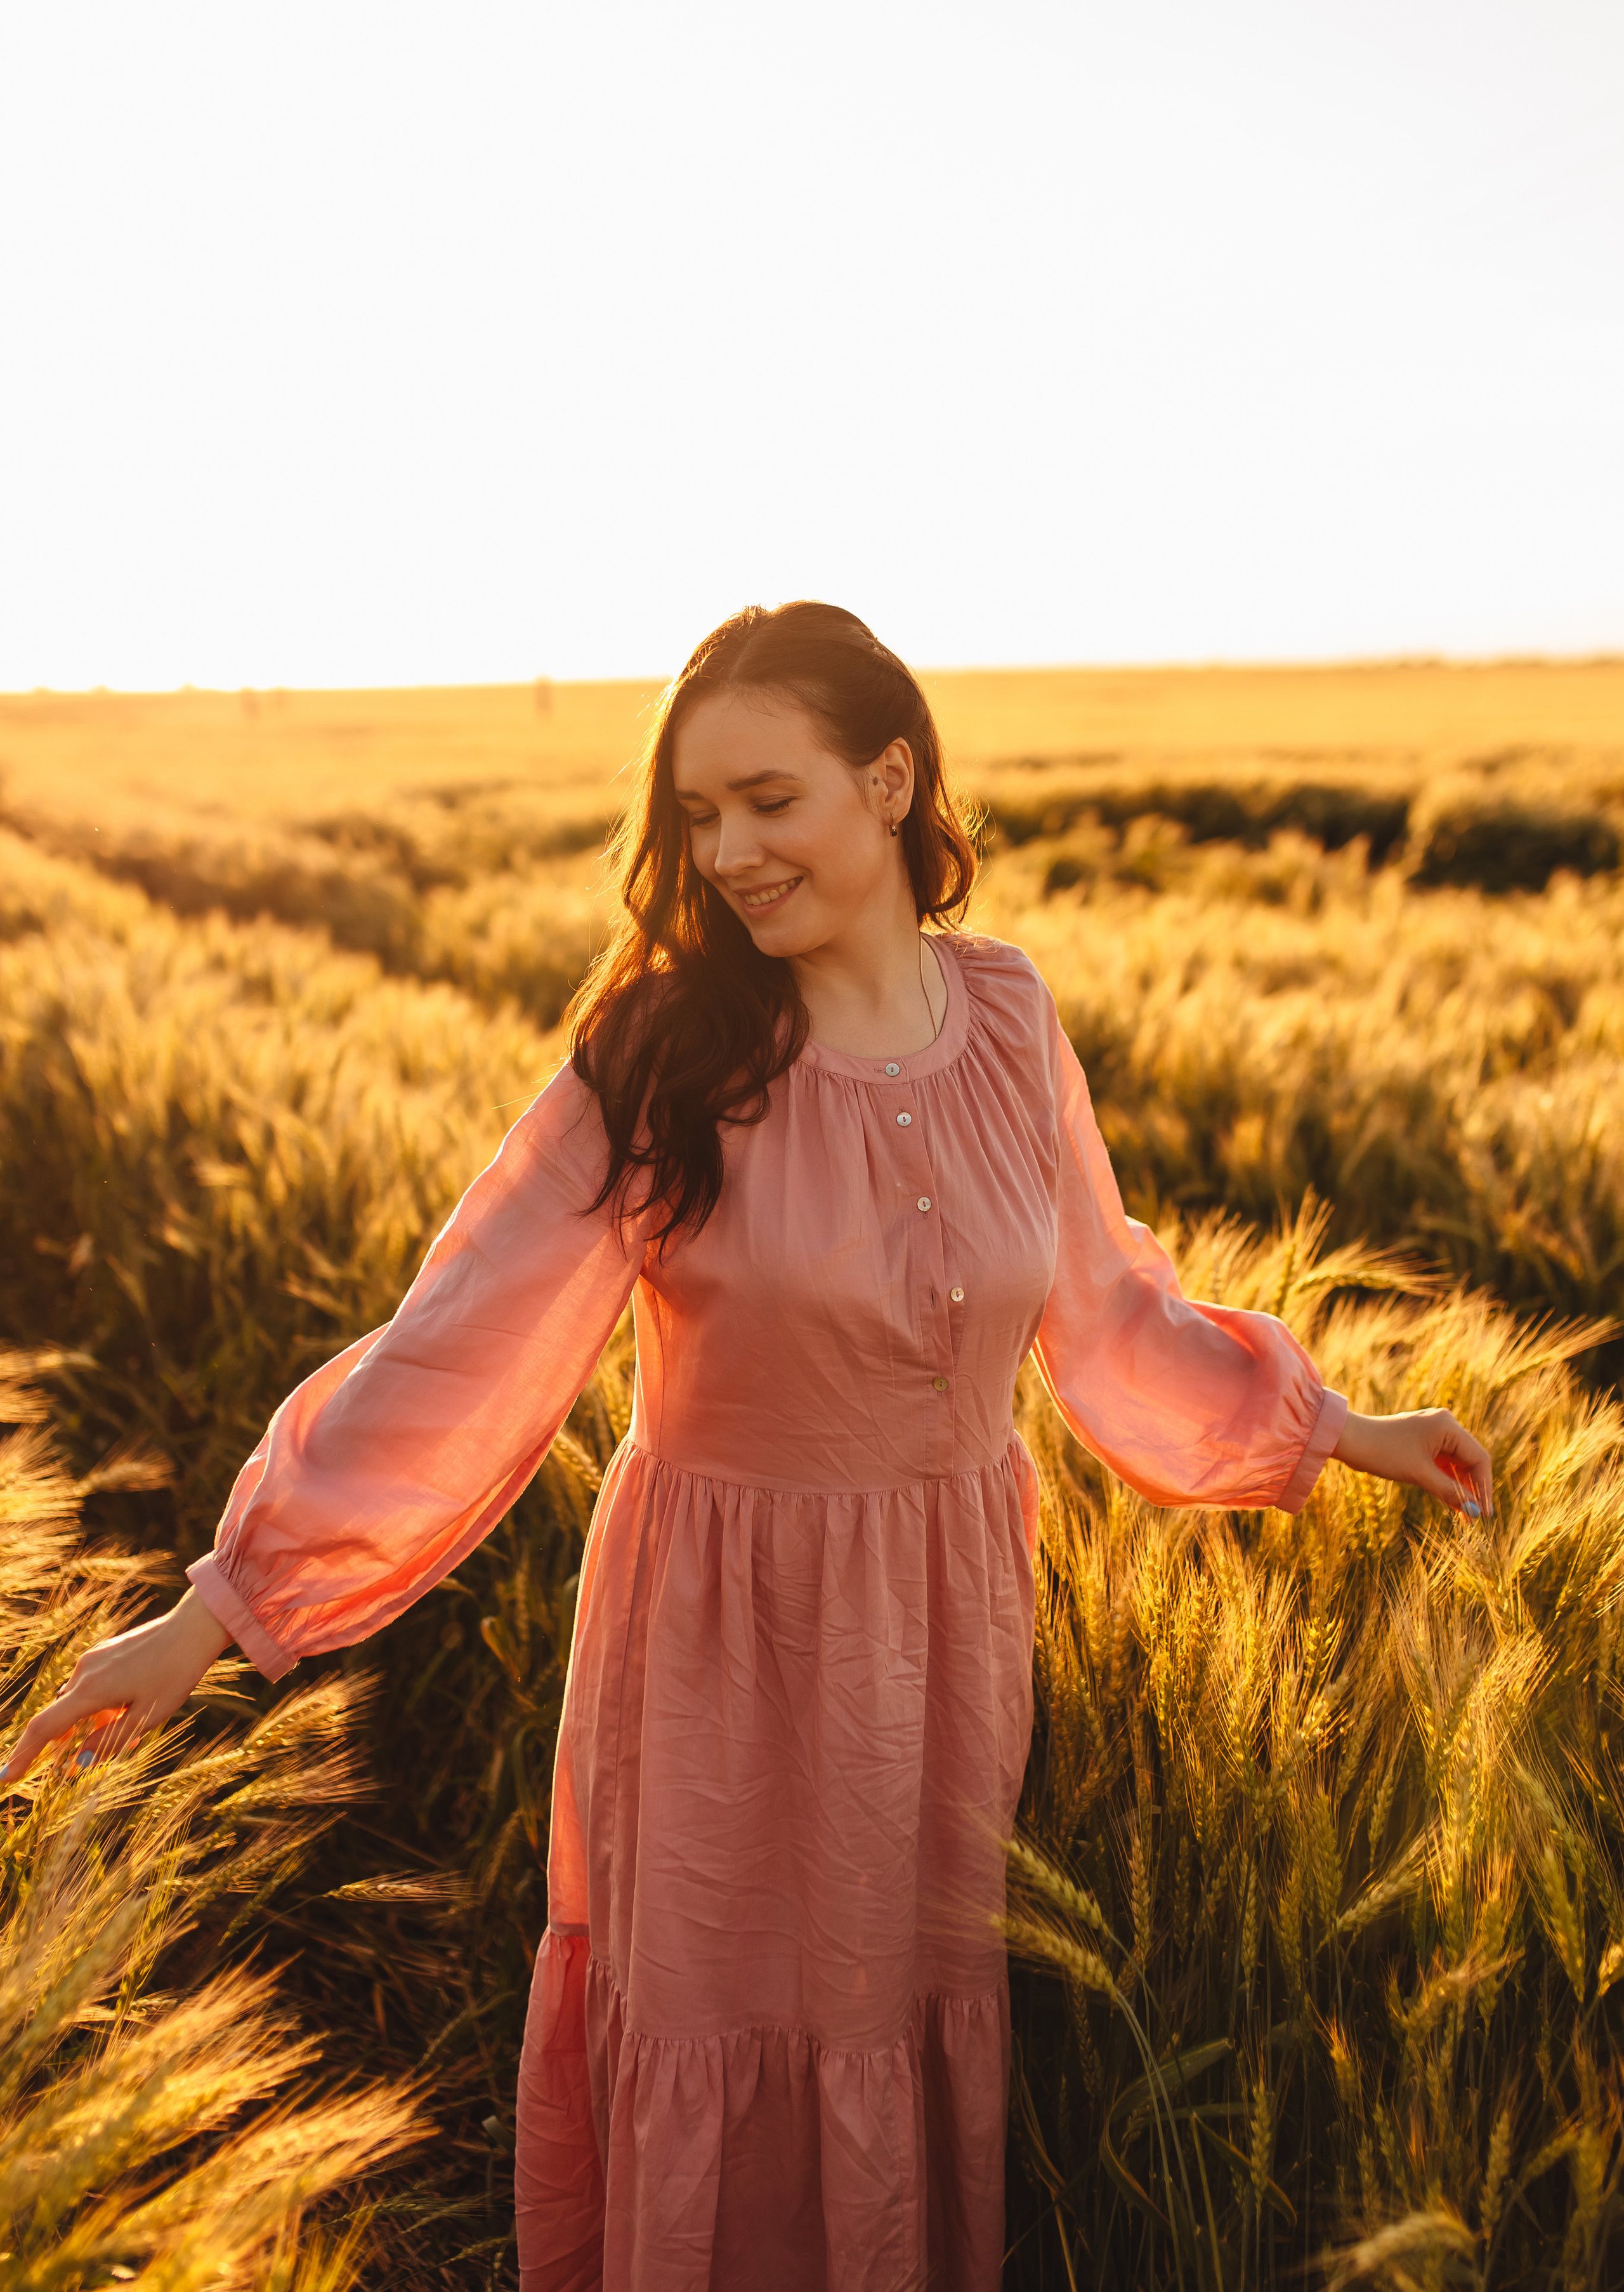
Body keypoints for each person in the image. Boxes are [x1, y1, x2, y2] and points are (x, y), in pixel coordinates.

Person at [2, 602, 1494, 2291]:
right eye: (698, 818)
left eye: (768, 802)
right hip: (718, 1643)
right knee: (723, 2023)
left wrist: (1350, 1432)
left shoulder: (1008, 1020)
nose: (727, 853)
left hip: (943, 1635)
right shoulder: (666, 1062)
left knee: (898, 2020)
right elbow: (454, 1352)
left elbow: (1115, 1313)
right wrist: (217, 1609)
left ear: (890, 779)